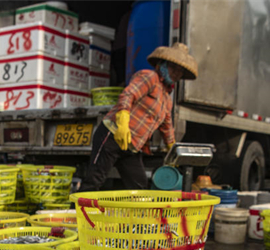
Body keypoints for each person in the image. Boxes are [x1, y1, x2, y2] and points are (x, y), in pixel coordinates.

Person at [79, 43, 198, 192]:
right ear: (163, 64)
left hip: (132, 147)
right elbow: (128, 94)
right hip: (113, 135)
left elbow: (167, 127)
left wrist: (172, 150)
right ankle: (74, 214)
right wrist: (122, 123)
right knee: (95, 180)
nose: (176, 73)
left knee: (139, 186)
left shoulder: (167, 98)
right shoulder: (150, 77)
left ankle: (133, 215)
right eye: (173, 67)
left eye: (180, 71)